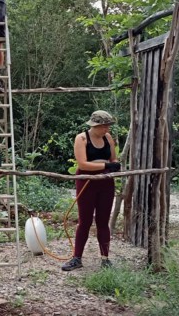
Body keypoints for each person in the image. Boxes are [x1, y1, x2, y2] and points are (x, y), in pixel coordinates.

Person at [62, 110, 122, 271]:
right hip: (86, 181)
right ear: (95, 125)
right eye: (104, 126)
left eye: (108, 126)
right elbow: (82, 164)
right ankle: (77, 258)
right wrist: (106, 166)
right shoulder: (82, 139)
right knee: (85, 220)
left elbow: (113, 158)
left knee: (103, 221)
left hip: (106, 182)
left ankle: (105, 258)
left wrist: (114, 164)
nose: (107, 129)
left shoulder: (107, 138)